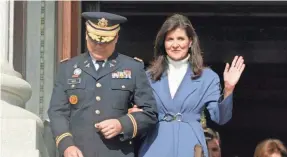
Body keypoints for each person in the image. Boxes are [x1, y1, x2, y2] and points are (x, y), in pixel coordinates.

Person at [131, 13, 246, 157]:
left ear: (190, 42)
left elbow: (220, 118)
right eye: (170, 39)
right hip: (156, 145)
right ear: (163, 43)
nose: (175, 44)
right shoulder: (148, 76)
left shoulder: (207, 77)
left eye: (180, 39)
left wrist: (229, 88)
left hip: (191, 146)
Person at [48, 12, 158, 157]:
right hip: (78, 152)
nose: (99, 45)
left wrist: (122, 125)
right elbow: (57, 113)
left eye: (106, 41)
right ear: (87, 35)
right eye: (94, 40)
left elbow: (150, 113)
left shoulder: (133, 68)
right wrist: (66, 145)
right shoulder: (68, 68)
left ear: (116, 37)